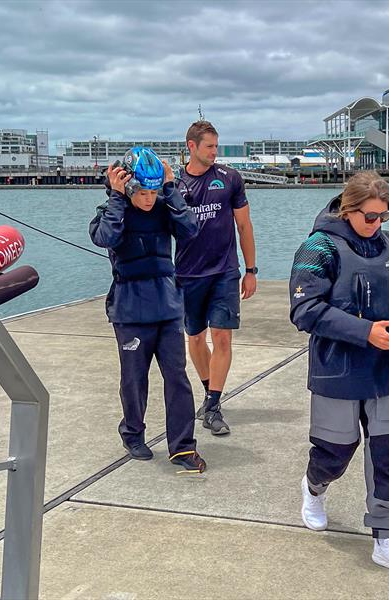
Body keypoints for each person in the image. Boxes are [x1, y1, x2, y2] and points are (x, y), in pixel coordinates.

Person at [289, 171, 389, 579]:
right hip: (337, 372)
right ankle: (313, 487)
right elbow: (304, 310)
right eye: (370, 217)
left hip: (387, 370)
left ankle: (386, 538)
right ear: (348, 210)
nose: (378, 224)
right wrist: (364, 331)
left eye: (384, 216)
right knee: (334, 452)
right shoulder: (318, 247)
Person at [89, 146, 206, 473]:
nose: (148, 198)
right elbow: (105, 237)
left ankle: (182, 446)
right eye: (143, 191)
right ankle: (132, 432)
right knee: (134, 379)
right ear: (128, 186)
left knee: (177, 377)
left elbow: (190, 230)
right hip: (130, 310)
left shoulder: (164, 206)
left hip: (167, 306)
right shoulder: (113, 212)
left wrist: (171, 189)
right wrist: (116, 198)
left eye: (153, 191)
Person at [174, 120, 257, 436]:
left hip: (224, 271)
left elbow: (245, 227)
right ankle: (210, 391)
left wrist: (250, 271)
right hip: (187, 273)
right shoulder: (175, 185)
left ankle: (213, 404)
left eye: (216, 146)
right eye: (209, 146)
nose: (214, 152)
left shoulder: (229, 178)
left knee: (222, 336)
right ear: (191, 147)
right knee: (195, 337)